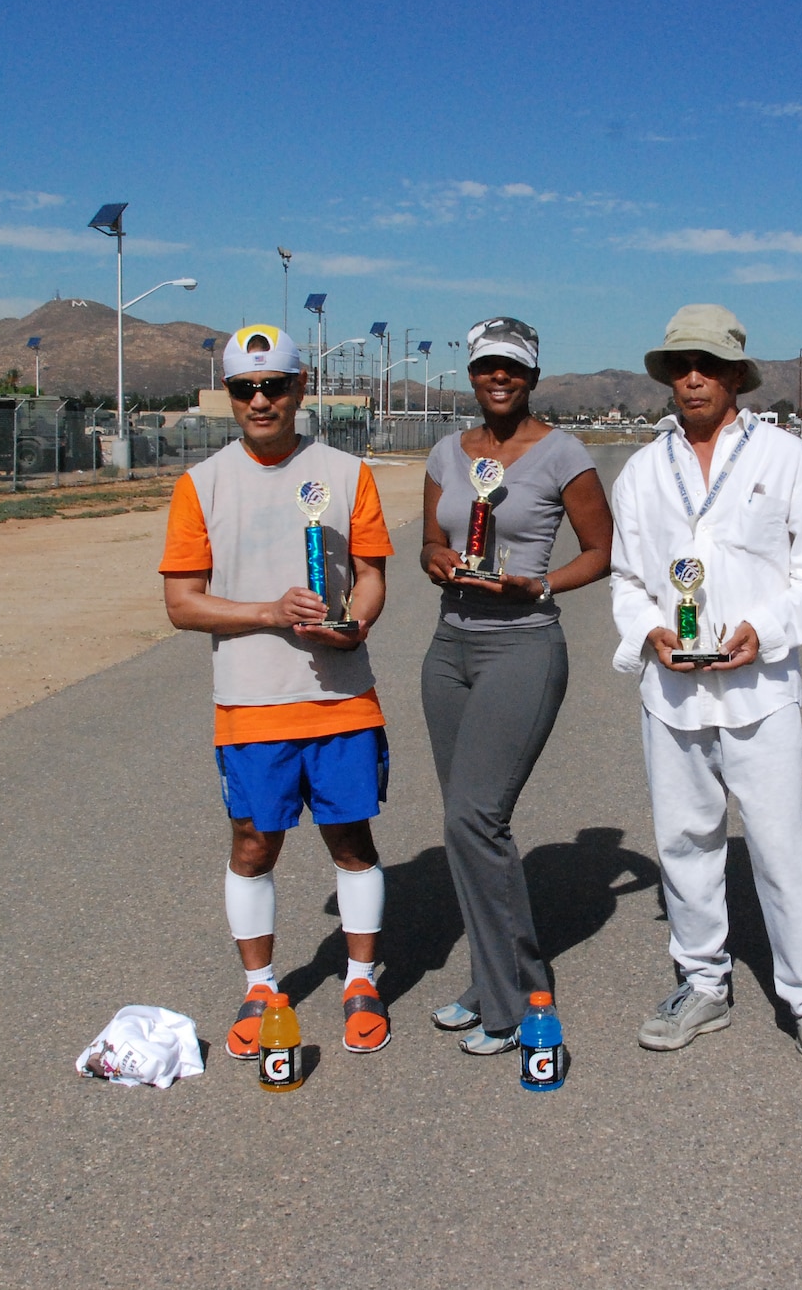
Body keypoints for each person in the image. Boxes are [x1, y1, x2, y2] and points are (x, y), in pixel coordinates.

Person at [608, 304, 802, 1082]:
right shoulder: (644, 472)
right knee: (684, 842)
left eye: (709, 366)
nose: (693, 378)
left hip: (760, 689)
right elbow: (625, 578)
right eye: (681, 365)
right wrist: (651, 630)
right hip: (673, 692)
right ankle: (703, 981)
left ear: (736, 376)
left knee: (779, 847)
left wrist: (764, 630)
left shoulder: (786, 460)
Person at [160, 323, 395, 1059]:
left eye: (273, 385)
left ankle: (362, 981)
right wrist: (269, 612)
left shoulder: (348, 474)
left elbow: (371, 577)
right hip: (251, 700)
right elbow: (182, 603)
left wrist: (355, 622)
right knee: (254, 844)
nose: (260, 400)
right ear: (229, 396)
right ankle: (260, 987)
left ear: (300, 388)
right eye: (244, 388)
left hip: (341, 697)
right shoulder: (201, 485)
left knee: (351, 840)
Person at [419, 316, 614, 1055]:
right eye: (486, 366)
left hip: (523, 647)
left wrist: (540, 584)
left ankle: (515, 1007)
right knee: (463, 825)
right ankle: (492, 977)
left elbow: (601, 550)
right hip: (449, 650)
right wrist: (438, 561)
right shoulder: (447, 452)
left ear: (532, 376)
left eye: (512, 367)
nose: (498, 377)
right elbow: (431, 542)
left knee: (477, 817)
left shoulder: (563, 453)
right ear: (472, 375)